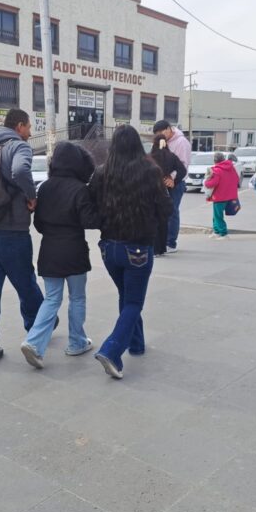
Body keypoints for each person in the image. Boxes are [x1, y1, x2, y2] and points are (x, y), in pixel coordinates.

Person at [89, 125, 171, 379]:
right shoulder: (150, 172)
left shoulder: (101, 172)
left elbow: (90, 204)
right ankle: (112, 350)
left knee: (126, 296)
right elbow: (166, 209)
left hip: (109, 247)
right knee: (133, 302)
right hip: (138, 247)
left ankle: (136, 344)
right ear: (138, 145)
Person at [0, 108, 44, 369]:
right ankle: (39, 330)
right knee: (26, 284)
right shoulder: (19, 147)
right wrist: (31, 196)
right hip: (11, 231)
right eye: (29, 127)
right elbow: (20, 170)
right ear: (20, 126)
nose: (30, 133)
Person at [20, 142, 99, 369]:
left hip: (49, 251)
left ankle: (33, 342)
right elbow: (89, 221)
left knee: (52, 299)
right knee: (77, 298)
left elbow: (38, 224)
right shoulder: (80, 189)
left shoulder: (44, 187)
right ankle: (77, 342)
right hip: (74, 251)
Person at [153, 119, 191, 253]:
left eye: (161, 132)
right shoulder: (163, 142)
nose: (160, 136)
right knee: (161, 212)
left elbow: (183, 165)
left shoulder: (181, 142)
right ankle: (161, 242)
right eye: (157, 134)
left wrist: (172, 178)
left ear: (169, 129)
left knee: (172, 211)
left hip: (176, 182)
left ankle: (171, 243)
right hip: (161, 182)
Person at [148, 134, 182, 255]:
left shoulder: (149, 157)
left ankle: (155, 249)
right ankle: (163, 247)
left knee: (154, 218)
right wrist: (173, 180)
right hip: (165, 191)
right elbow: (182, 170)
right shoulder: (171, 156)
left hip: (151, 190)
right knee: (164, 218)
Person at [203, 151, 239, 239]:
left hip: (219, 196)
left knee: (218, 216)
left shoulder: (216, 170)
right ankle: (216, 231)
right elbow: (237, 179)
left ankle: (223, 233)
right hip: (229, 195)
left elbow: (212, 183)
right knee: (216, 215)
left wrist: (205, 182)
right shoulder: (231, 168)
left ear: (215, 160)